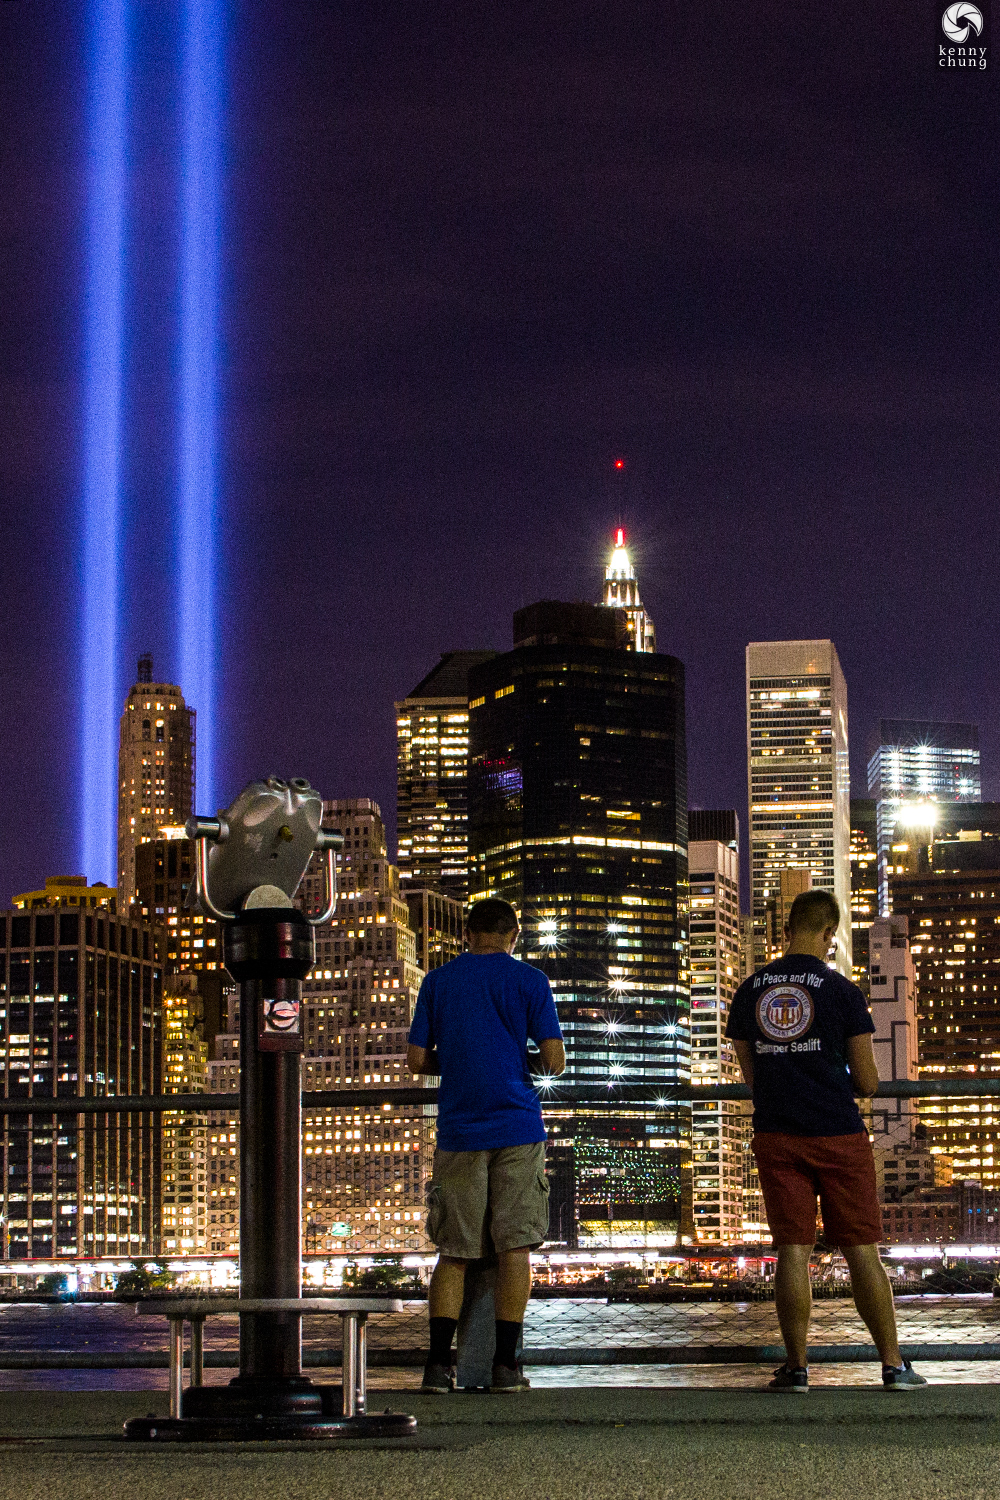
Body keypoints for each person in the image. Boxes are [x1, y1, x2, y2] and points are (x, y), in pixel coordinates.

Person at [726, 888, 925, 1392]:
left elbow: (751, 1074)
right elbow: (869, 1079)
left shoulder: (751, 990)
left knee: (792, 1251)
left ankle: (796, 1368)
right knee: (861, 1250)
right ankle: (893, 1365)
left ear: (786, 929)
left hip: (777, 1135)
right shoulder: (841, 991)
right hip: (837, 1133)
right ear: (828, 935)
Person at [407, 896, 565, 1393]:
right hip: (518, 1127)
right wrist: (520, 1063)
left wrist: (455, 1063)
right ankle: (505, 1366)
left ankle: (437, 1366)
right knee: (515, 1248)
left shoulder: (437, 982)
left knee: (453, 1252)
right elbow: (555, 1060)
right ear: (514, 937)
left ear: (467, 934)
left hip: (459, 1130)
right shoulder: (531, 982)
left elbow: (416, 1059)